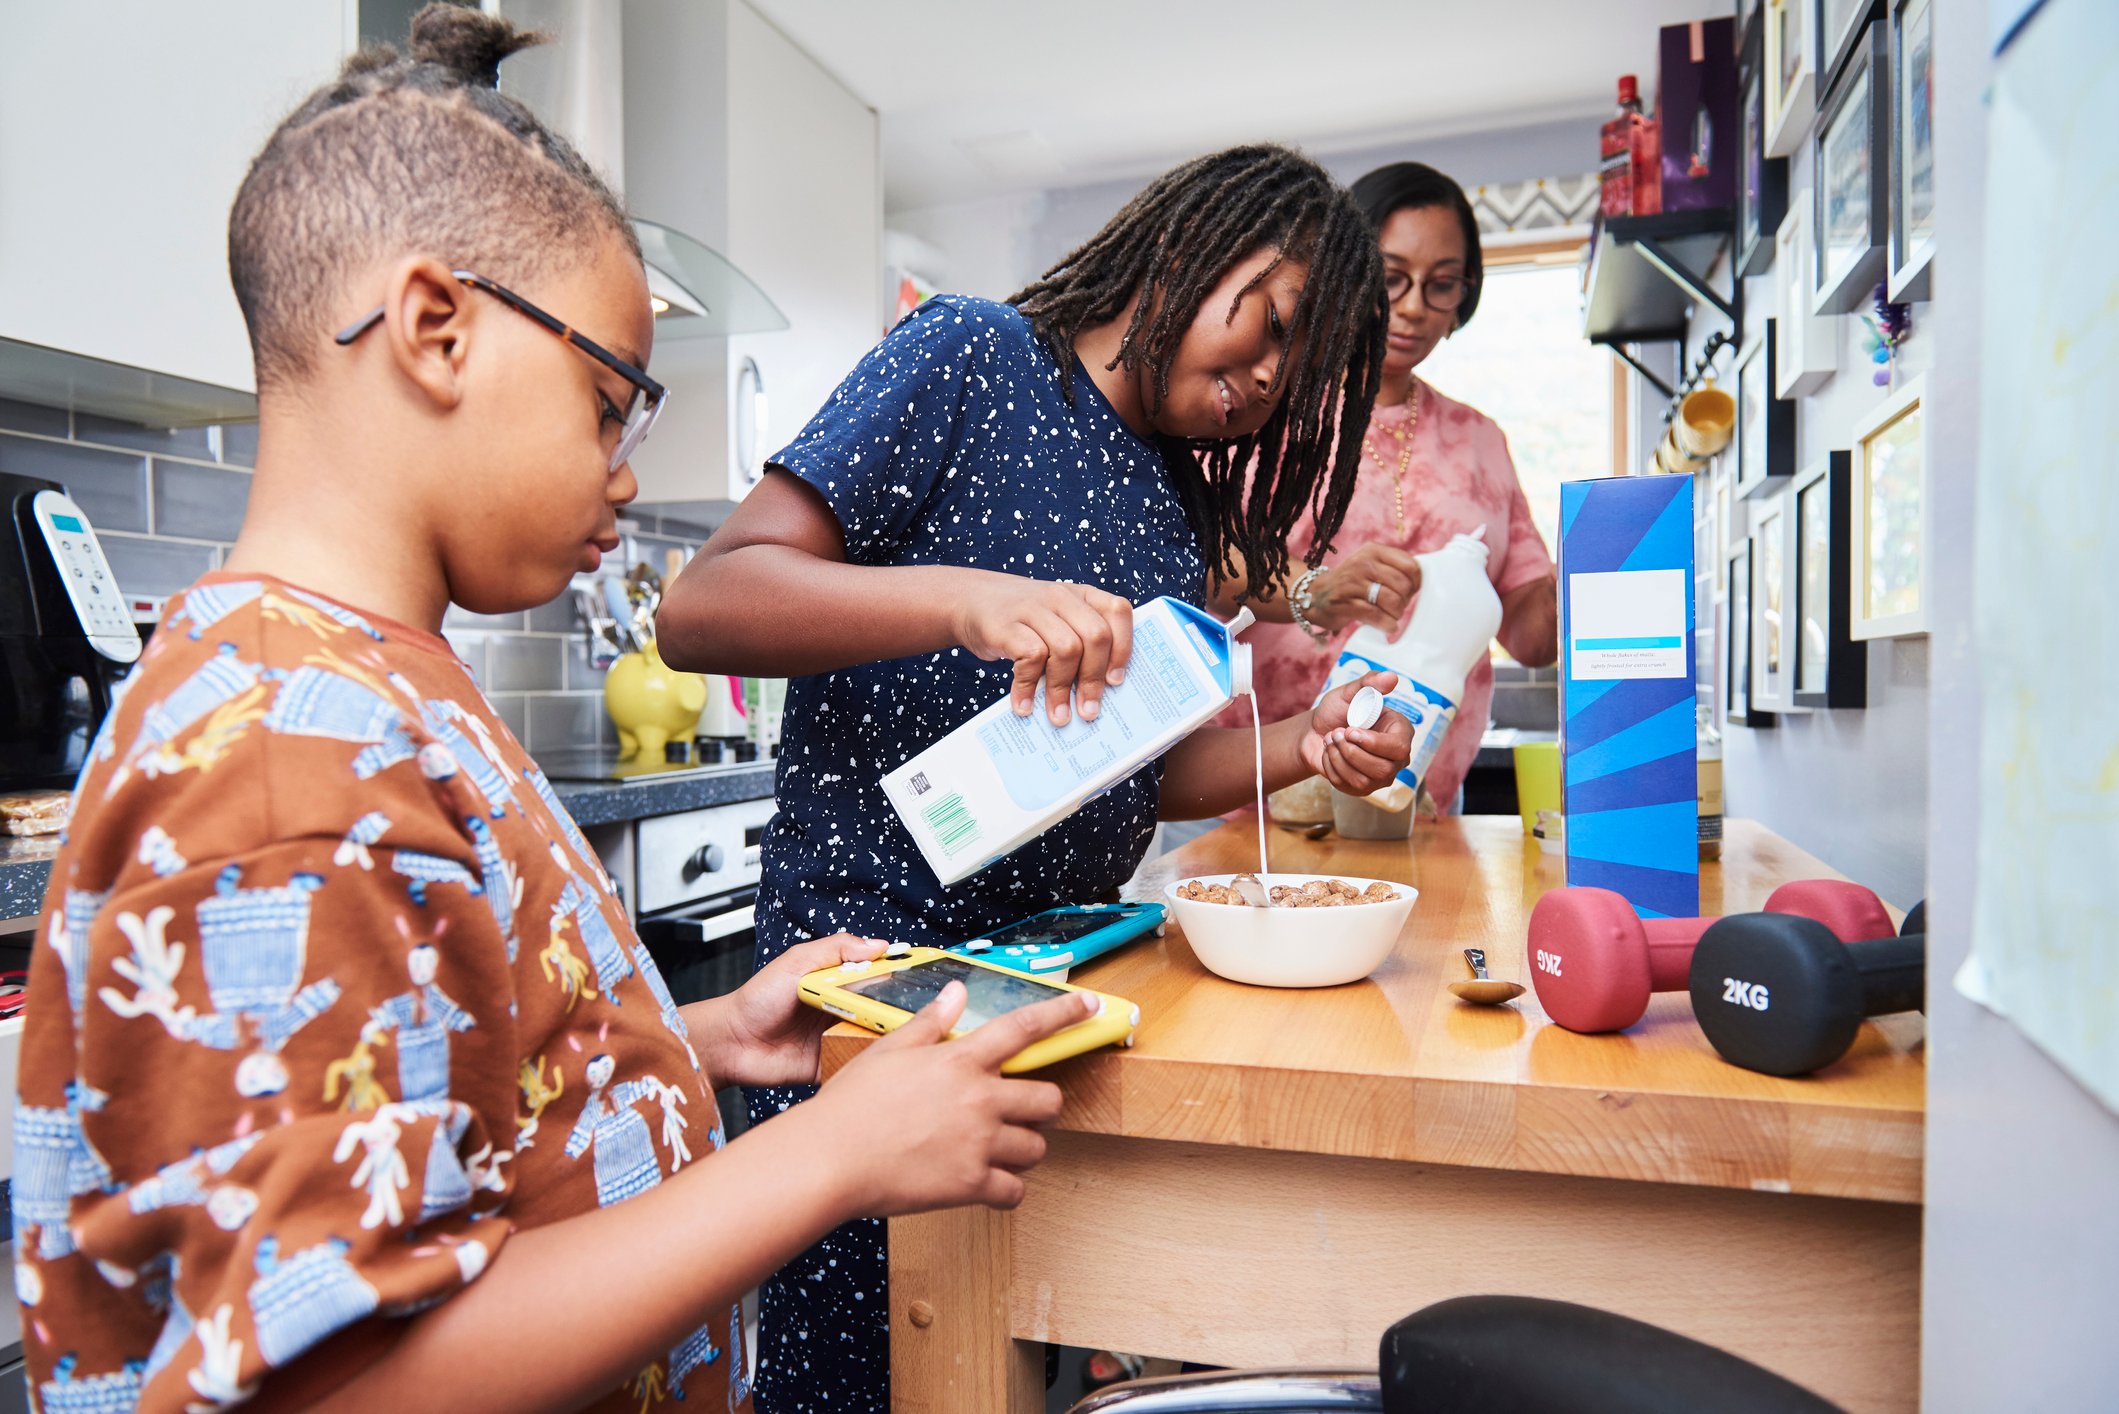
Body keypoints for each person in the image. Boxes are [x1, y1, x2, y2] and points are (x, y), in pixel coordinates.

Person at [13, 11, 1095, 1413]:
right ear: (434, 329)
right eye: (608, 402)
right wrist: (828, 1152)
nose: (627, 473)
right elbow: (340, 1382)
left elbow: (425, 1080)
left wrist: (675, 1042)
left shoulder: (361, 685)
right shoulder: (286, 767)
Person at [657, 145, 1413, 1413]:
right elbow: (704, 606)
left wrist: (1304, 742)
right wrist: (966, 600)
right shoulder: (969, 357)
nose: (1270, 380)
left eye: (1300, 377)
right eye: (1272, 323)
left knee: (1001, 1361)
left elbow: (1133, 772)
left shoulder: (1176, 511)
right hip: (866, 985)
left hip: (1047, 983)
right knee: (863, 1370)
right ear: (1188, 246)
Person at [1210, 162, 1560, 812]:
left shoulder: (1478, 439)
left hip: (1417, 801)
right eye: (1389, 277)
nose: (1411, 307)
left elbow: (1529, 637)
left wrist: (1595, 564)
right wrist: (1319, 588)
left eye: (1441, 285)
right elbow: (1203, 563)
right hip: (1258, 795)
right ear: (1341, 272)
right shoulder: (1265, 408)